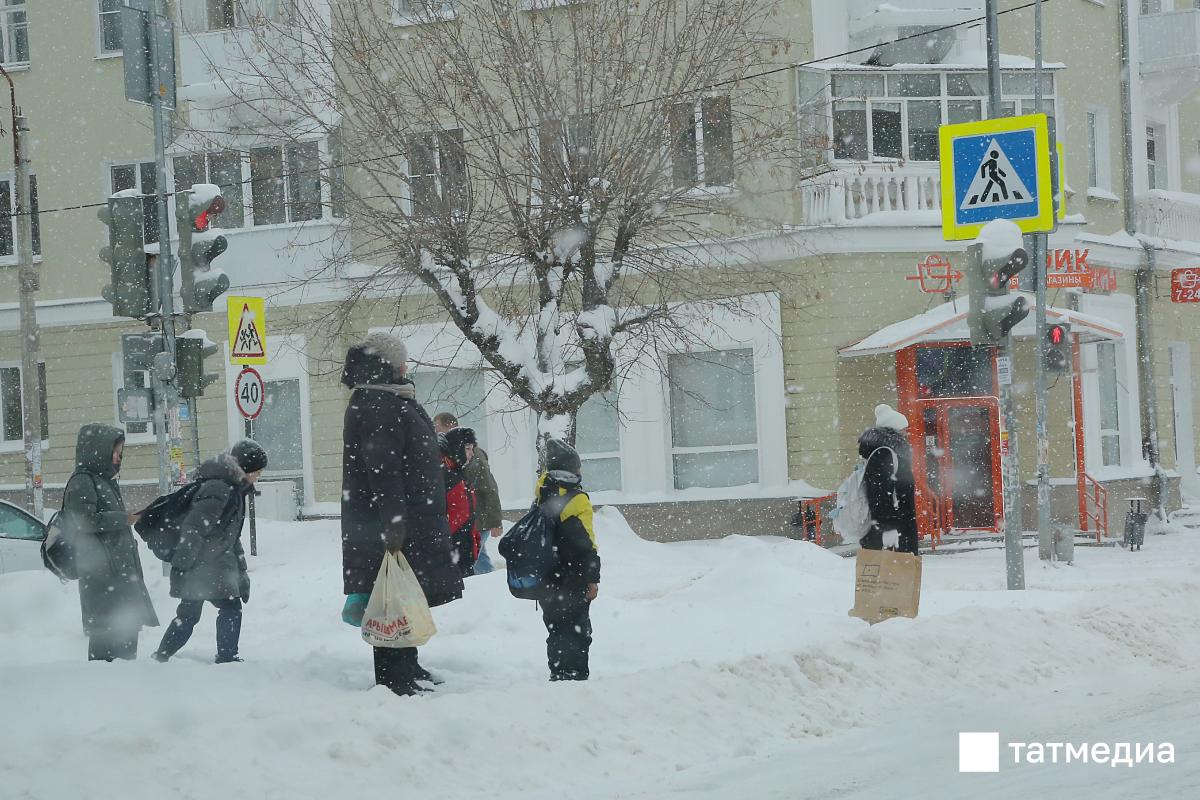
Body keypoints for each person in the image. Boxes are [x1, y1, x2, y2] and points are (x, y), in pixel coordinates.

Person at [340, 333, 464, 696]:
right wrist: (393, 526)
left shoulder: (392, 398)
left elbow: (410, 459)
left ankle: (407, 664)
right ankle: (394, 677)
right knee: (389, 598)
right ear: (388, 365)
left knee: (404, 595)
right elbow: (384, 472)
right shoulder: (379, 403)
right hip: (393, 524)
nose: (405, 367)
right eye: (400, 361)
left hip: (411, 518)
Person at [152, 441, 266, 664]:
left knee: (193, 613)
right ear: (247, 469)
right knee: (221, 609)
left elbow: (232, 537)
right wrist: (182, 566)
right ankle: (225, 657)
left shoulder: (232, 488)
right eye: (258, 472)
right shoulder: (220, 488)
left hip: (211, 564)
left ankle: (162, 657)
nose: (258, 476)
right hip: (204, 564)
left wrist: (241, 572)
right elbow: (193, 528)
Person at [62, 423, 159, 661]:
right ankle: (105, 693)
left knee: (126, 637)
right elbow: (83, 521)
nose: (118, 457)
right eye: (115, 452)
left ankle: (124, 692)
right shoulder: (83, 480)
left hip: (118, 573)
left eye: (120, 452)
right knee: (106, 641)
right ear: (98, 451)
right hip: (102, 575)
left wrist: (127, 518)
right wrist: (123, 518)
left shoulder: (104, 480)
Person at [529, 438, 601, 681]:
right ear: (573, 470)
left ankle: (559, 672)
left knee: (556, 629)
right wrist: (592, 578)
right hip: (573, 577)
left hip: (547, 577)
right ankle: (575, 677)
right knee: (578, 631)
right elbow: (585, 545)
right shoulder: (577, 500)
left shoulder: (541, 493)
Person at [433, 412, 502, 574]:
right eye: (468, 449)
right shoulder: (447, 466)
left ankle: (488, 580)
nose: (435, 430)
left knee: (477, 558)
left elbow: (488, 487)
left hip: (477, 521)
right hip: (463, 532)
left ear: (449, 425)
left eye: (437, 426)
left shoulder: (465, 461)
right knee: (476, 558)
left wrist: (495, 521)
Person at [857, 403, 919, 556]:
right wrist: (888, 528)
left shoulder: (888, 452)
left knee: (891, 575)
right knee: (891, 575)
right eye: (904, 429)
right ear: (894, 430)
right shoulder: (885, 454)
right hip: (893, 528)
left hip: (894, 525)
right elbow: (878, 494)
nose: (906, 433)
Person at [439, 427, 480, 578]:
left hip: (463, 545)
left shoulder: (459, 474)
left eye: (472, 448)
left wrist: (474, 539)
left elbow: (467, 512)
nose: (472, 453)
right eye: (468, 448)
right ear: (458, 448)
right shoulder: (445, 474)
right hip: (452, 547)